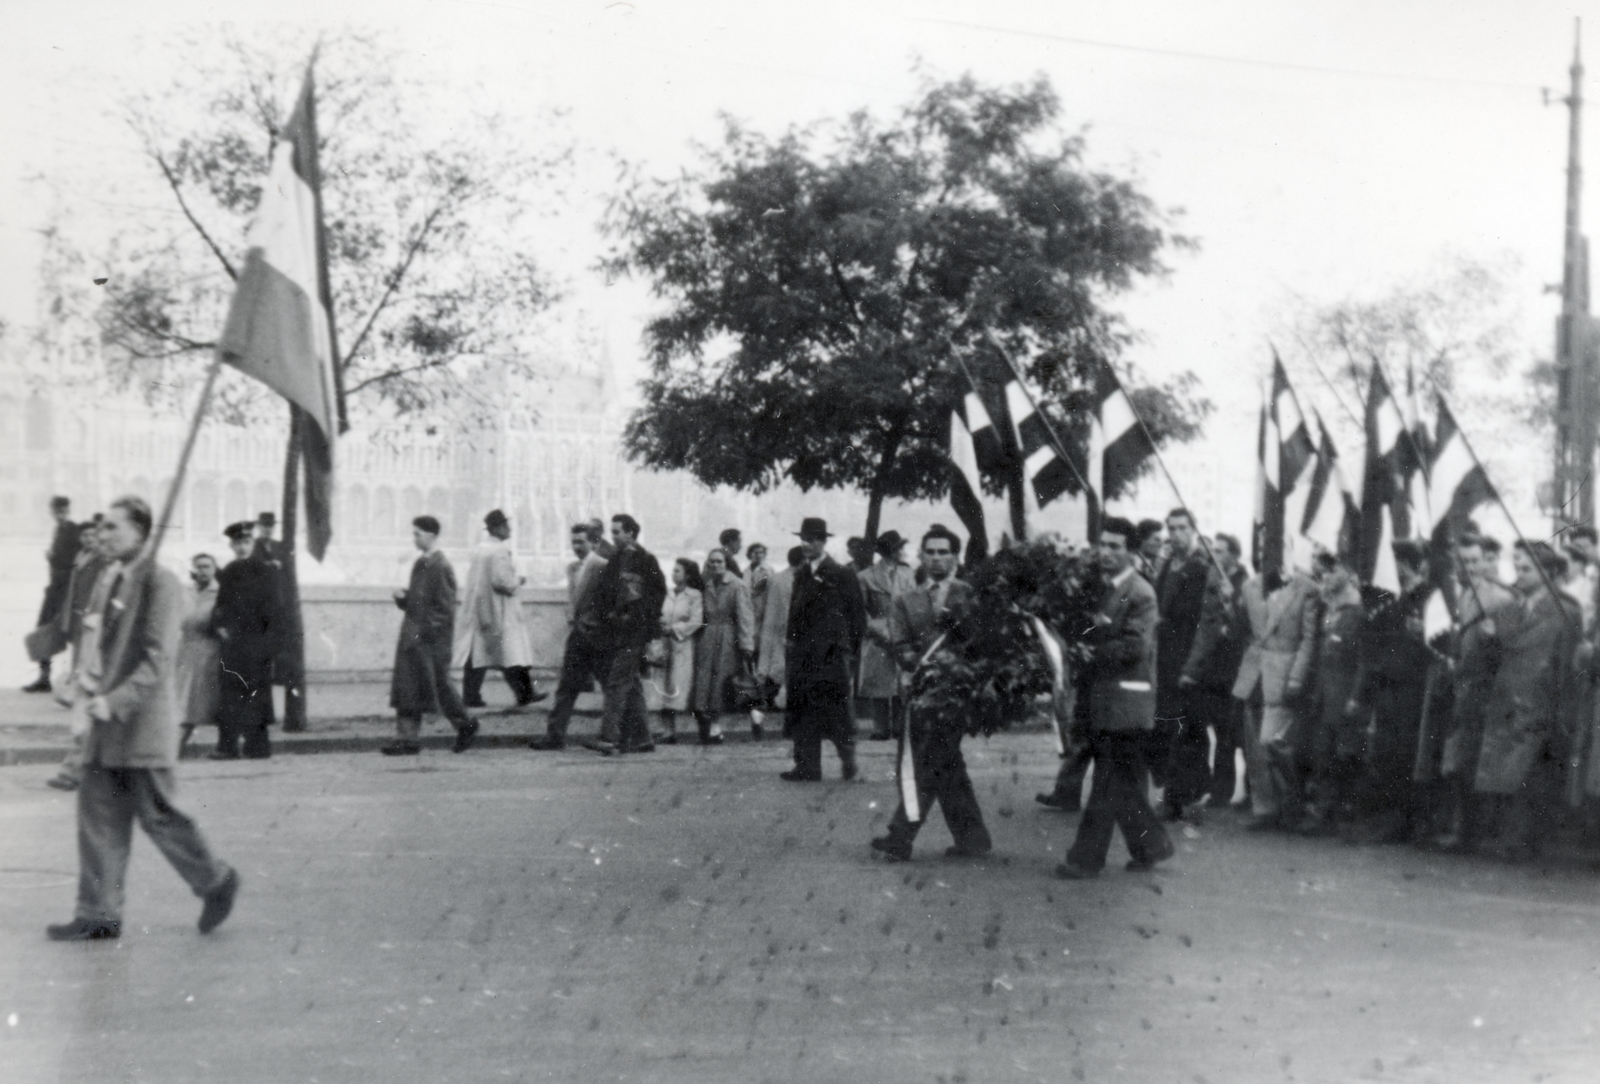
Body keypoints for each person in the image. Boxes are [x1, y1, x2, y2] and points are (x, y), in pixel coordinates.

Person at [46, 495, 240, 942]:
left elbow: (158, 659)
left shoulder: (161, 583)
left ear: (140, 532)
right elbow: (95, 645)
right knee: (97, 816)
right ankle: (99, 912)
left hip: (139, 722)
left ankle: (216, 881)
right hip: (102, 721)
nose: (104, 534)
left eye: (114, 527)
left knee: (160, 815)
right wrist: (78, 684)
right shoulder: (108, 578)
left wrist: (113, 701)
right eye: (104, 527)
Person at [1055, 517, 1174, 879]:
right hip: (1103, 700)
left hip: (1126, 702)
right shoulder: (1103, 588)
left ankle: (1085, 858)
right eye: (1102, 545)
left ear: (1132, 551)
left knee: (1107, 781)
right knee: (1122, 783)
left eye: (1115, 547)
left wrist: (1086, 651)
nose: (1105, 553)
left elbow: (1136, 647)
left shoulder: (1140, 592)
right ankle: (1151, 846)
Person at [871, 524, 991, 861]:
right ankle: (973, 838)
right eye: (931, 552)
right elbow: (900, 645)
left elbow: (981, 644)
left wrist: (960, 671)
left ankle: (900, 836)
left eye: (944, 552)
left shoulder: (970, 596)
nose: (937, 558)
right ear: (921, 556)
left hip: (958, 696)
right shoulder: (905, 601)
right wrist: (924, 666)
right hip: (922, 692)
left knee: (930, 761)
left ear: (955, 557)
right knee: (945, 762)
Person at [1474, 540, 1583, 861]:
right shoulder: (1508, 609)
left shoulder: (1566, 611)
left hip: (1541, 701)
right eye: (1517, 568)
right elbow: (1495, 656)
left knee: (1530, 776)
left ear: (1548, 572)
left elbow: (1568, 665)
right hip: (1507, 698)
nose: (1518, 574)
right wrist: (1487, 638)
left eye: (1526, 569)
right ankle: (1509, 838)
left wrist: (1565, 709)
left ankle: (1523, 841)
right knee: (1505, 773)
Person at [1345, 541, 1434, 844]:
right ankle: (1389, 820)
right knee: (1386, 755)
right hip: (1388, 689)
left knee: (1406, 756)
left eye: (1395, 562)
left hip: (1414, 690)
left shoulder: (1429, 598)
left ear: (1408, 565)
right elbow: (1375, 650)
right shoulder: (1391, 600)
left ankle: (1408, 822)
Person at [1434, 534, 1518, 851]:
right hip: (1464, 686)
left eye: (1474, 561)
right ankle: (1465, 829)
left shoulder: (1497, 598)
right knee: (1459, 760)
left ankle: (1472, 833)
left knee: (1473, 762)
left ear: (1485, 560)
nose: (1470, 567)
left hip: (1485, 690)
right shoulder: (1466, 595)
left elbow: (1508, 648)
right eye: (1464, 561)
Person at [1231, 557, 1321, 832]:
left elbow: (1309, 638)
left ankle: (1293, 802)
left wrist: (1296, 675)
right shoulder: (1250, 586)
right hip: (1255, 669)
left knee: (1277, 742)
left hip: (1284, 671)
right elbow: (1242, 629)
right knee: (1254, 742)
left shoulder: (1306, 588)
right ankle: (1265, 806)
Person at [385, 515, 477, 756]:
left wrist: (424, 633)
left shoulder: (441, 565)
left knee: (439, 686)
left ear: (432, 536)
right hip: (415, 638)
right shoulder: (422, 563)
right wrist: (403, 599)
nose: (414, 538)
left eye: (418, 534)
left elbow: (445, 609)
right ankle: (407, 740)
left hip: (428, 641)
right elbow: (419, 604)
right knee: (409, 687)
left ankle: (465, 724)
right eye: (414, 533)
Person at [783, 518, 864, 782]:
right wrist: (791, 643)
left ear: (824, 541)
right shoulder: (801, 575)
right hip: (804, 655)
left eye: (813, 539)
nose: (807, 545)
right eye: (804, 539)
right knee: (803, 709)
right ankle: (807, 765)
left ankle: (848, 760)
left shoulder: (841, 574)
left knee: (837, 710)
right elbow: (795, 615)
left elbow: (857, 618)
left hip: (831, 654)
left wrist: (849, 652)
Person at [1179, 532, 1251, 810]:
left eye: (1220, 552)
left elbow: (1242, 627)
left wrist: (1232, 603)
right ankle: (1210, 787)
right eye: (1214, 552)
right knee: (1203, 728)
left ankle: (1227, 791)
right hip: (1210, 668)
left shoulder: (1244, 583)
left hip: (1231, 668)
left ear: (1234, 555)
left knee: (1228, 734)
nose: (1215, 557)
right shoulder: (1212, 578)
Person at [586, 514, 669, 755]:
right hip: (618, 631)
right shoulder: (616, 559)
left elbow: (657, 596)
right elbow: (603, 593)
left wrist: (635, 616)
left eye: (617, 532)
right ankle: (643, 738)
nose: (613, 536)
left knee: (616, 683)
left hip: (636, 632)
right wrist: (607, 615)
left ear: (631, 533)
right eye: (612, 532)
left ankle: (608, 738)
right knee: (630, 684)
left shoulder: (646, 561)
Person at [1295, 554, 1367, 835]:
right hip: (1325, 693)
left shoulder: (1356, 611)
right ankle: (1323, 813)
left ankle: (1342, 814)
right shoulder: (1331, 608)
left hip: (1345, 695)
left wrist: (1355, 696)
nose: (1327, 575)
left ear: (1348, 572)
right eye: (1325, 570)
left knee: (1344, 755)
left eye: (1333, 569)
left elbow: (1362, 660)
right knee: (1323, 754)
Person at [1152, 508, 1212, 816]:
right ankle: (1195, 791)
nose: (1175, 533)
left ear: (1193, 530)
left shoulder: (1199, 569)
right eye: (1171, 528)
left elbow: (1203, 622)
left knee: (1185, 729)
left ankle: (1178, 798)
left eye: (1181, 528)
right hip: (1164, 659)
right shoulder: (1167, 566)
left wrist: (1192, 666)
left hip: (1187, 660)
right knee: (1172, 728)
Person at [455, 509, 546, 709]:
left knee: (478, 654)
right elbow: (501, 581)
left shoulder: (479, 549)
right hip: (499, 610)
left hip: (478, 609)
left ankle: (471, 696)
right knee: (511, 652)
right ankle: (525, 694)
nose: (510, 530)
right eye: (506, 526)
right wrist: (518, 580)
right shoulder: (499, 551)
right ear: (497, 528)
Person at [530, 524, 610, 751]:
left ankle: (623, 733)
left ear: (594, 543)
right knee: (566, 688)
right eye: (573, 542)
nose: (576, 547)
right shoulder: (572, 568)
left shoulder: (603, 566)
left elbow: (608, 602)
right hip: (578, 637)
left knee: (610, 687)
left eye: (581, 542)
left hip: (597, 638)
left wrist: (594, 624)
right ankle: (555, 736)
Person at [210, 521, 282, 760]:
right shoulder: (229, 571)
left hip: (256, 643)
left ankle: (257, 746)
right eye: (237, 543)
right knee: (230, 693)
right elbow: (220, 605)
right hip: (232, 643)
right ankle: (227, 747)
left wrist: (269, 646)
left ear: (253, 543)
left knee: (256, 694)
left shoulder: (266, 571)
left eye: (246, 542)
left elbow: (274, 612)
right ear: (231, 545)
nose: (241, 547)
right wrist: (219, 626)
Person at [689, 547, 754, 745]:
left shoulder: (737, 585)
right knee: (703, 679)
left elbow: (745, 617)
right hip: (708, 635)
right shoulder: (706, 584)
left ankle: (716, 727)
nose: (716, 565)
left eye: (720, 562)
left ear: (727, 564)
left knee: (721, 681)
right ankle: (704, 723)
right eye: (712, 562)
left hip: (728, 636)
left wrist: (746, 644)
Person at [857, 530, 916, 742]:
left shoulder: (908, 575)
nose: (903, 551)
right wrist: (874, 627)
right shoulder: (866, 576)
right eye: (900, 548)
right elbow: (859, 609)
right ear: (891, 551)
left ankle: (900, 726)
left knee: (902, 681)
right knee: (879, 682)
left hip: (903, 633)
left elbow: (915, 604)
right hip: (878, 634)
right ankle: (880, 727)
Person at [24, 495, 79, 693]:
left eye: (63, 510)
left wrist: (52, 559)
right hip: (55, 590)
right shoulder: (60, 530)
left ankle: (57, 679)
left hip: (65, 592)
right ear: (52, 512)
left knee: (67, 634)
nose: (60, 514)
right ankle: (45, 677)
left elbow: (72, 563)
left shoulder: (72, 530)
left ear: (68, 510)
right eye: (57, 511)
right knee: (43, 631)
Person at [174, 553, 222, 759]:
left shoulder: (220, 592)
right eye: (199, 567)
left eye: (206, 567)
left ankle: (225, 745)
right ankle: (177, 747)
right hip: (186, 650)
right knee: (183, 702)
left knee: (211, 701)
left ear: (214, 569)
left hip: (211, 650)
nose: (202, 571)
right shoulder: (186, 592)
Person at [652, 558, 704, 744]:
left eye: (678, 571)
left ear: (687, 575)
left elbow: (696, 620)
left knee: (677, 686)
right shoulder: (667, 593)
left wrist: (675, 629)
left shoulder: (694, 596)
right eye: (673, 571)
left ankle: (673, 730)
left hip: (682, 645)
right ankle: (666, 729)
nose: (674, 574)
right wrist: (661, 625)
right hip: (665, 645)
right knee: (662, 686)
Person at [754, 546, 805, 719]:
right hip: (790, 631)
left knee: (775, 667)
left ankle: (776, 703)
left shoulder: (776, 579)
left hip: (775, 628)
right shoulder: (801, 579)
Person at [746, 543, 771, 650]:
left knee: (759, 637)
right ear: (750, 554)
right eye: (756, 552)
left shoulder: (768, 570)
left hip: (762, 605)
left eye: (762, 552)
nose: (759, 555)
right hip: (748, 605)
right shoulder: (746, 570)